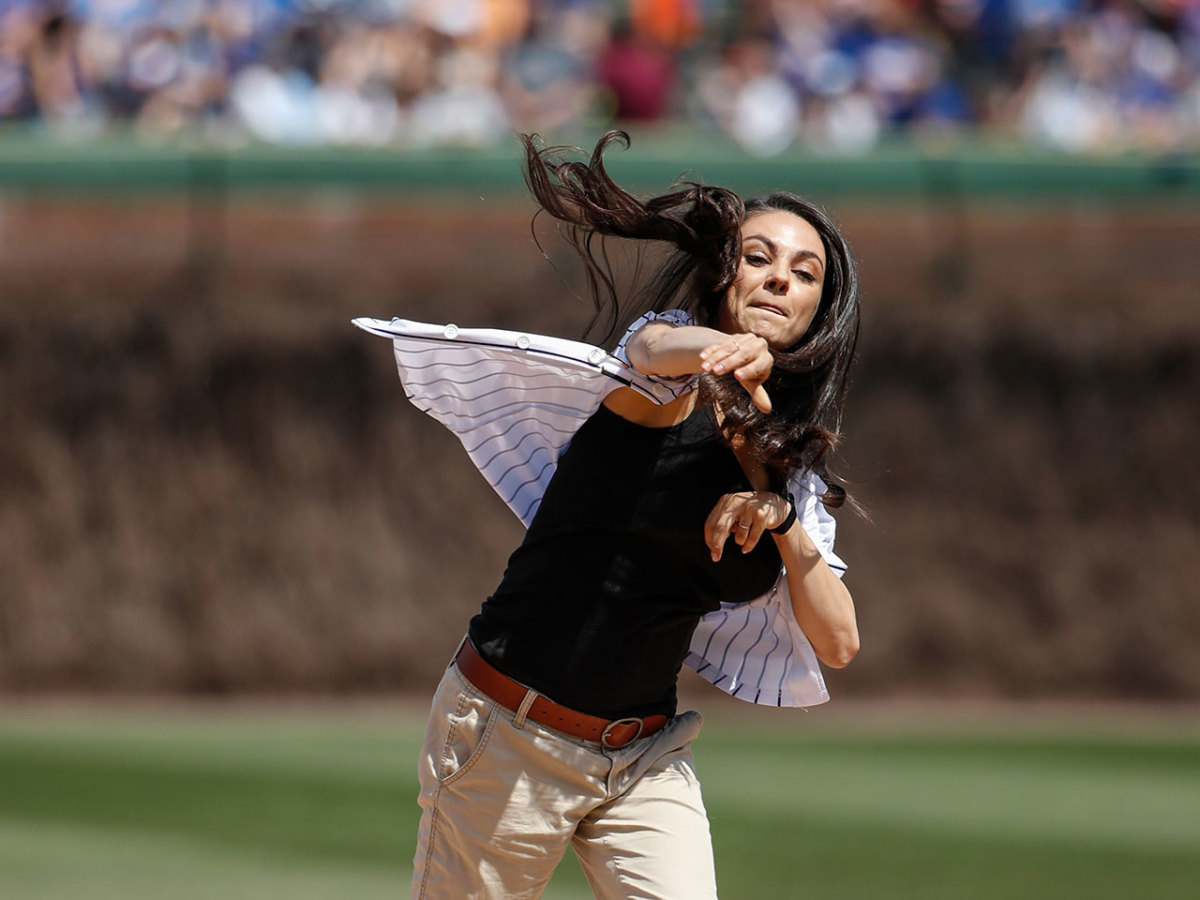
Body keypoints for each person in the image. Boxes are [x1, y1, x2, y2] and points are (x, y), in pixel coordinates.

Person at [357, 130, 861, 900]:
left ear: (820, 311)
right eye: (758, 258)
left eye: (805, 274)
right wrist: (716, 352)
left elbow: (839, 640)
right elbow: (654, 348)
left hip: (643, 752)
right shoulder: (661, 381)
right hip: (511, 732)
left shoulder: (790, 470)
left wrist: (787, 528)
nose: (778, 281)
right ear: (722, 273)